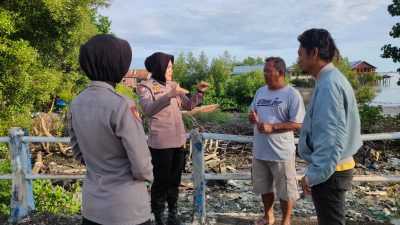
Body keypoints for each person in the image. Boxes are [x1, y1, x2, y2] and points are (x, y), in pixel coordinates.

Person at [67, 34, 153, 225]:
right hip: (126, 210)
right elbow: (141, 166)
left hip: (92, 207)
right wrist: (150, 177)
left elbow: (79, 154)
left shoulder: (76, 103)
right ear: (116, 64)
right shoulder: (121, 105)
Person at [296, 28, 363, 225]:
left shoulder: (328, 85)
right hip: (334, 168)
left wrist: (312, 176)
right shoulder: (331, 79)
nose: (298, 59)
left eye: (300, 53)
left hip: (331, 171)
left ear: (314, 53)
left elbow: (330, 139)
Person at [137, 52, 210, 225]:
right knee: (160, 183)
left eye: (171, 67)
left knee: (174, 182)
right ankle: (159, 219)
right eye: (168, 67)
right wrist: (169, 95)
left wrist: (199, 92)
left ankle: (172, 216)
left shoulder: (173, 85)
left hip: (178, 142)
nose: (171, 70)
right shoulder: (145, 87)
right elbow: (148, 109)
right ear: (159, 67)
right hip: (160, 144)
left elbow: (189, 105)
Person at [248, 57, 305, 225]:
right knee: (264, 188)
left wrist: (272, 127)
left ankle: (286, 221)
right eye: (264, 70)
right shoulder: (260, 91)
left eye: (267, 71)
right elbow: (252, 112)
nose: (264, 74)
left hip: (281, 153)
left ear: (280, 72)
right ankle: (268, 216)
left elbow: (297, 123)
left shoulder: (292, 94)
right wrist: (252, 117)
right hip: (260, 151)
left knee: (286, 191)